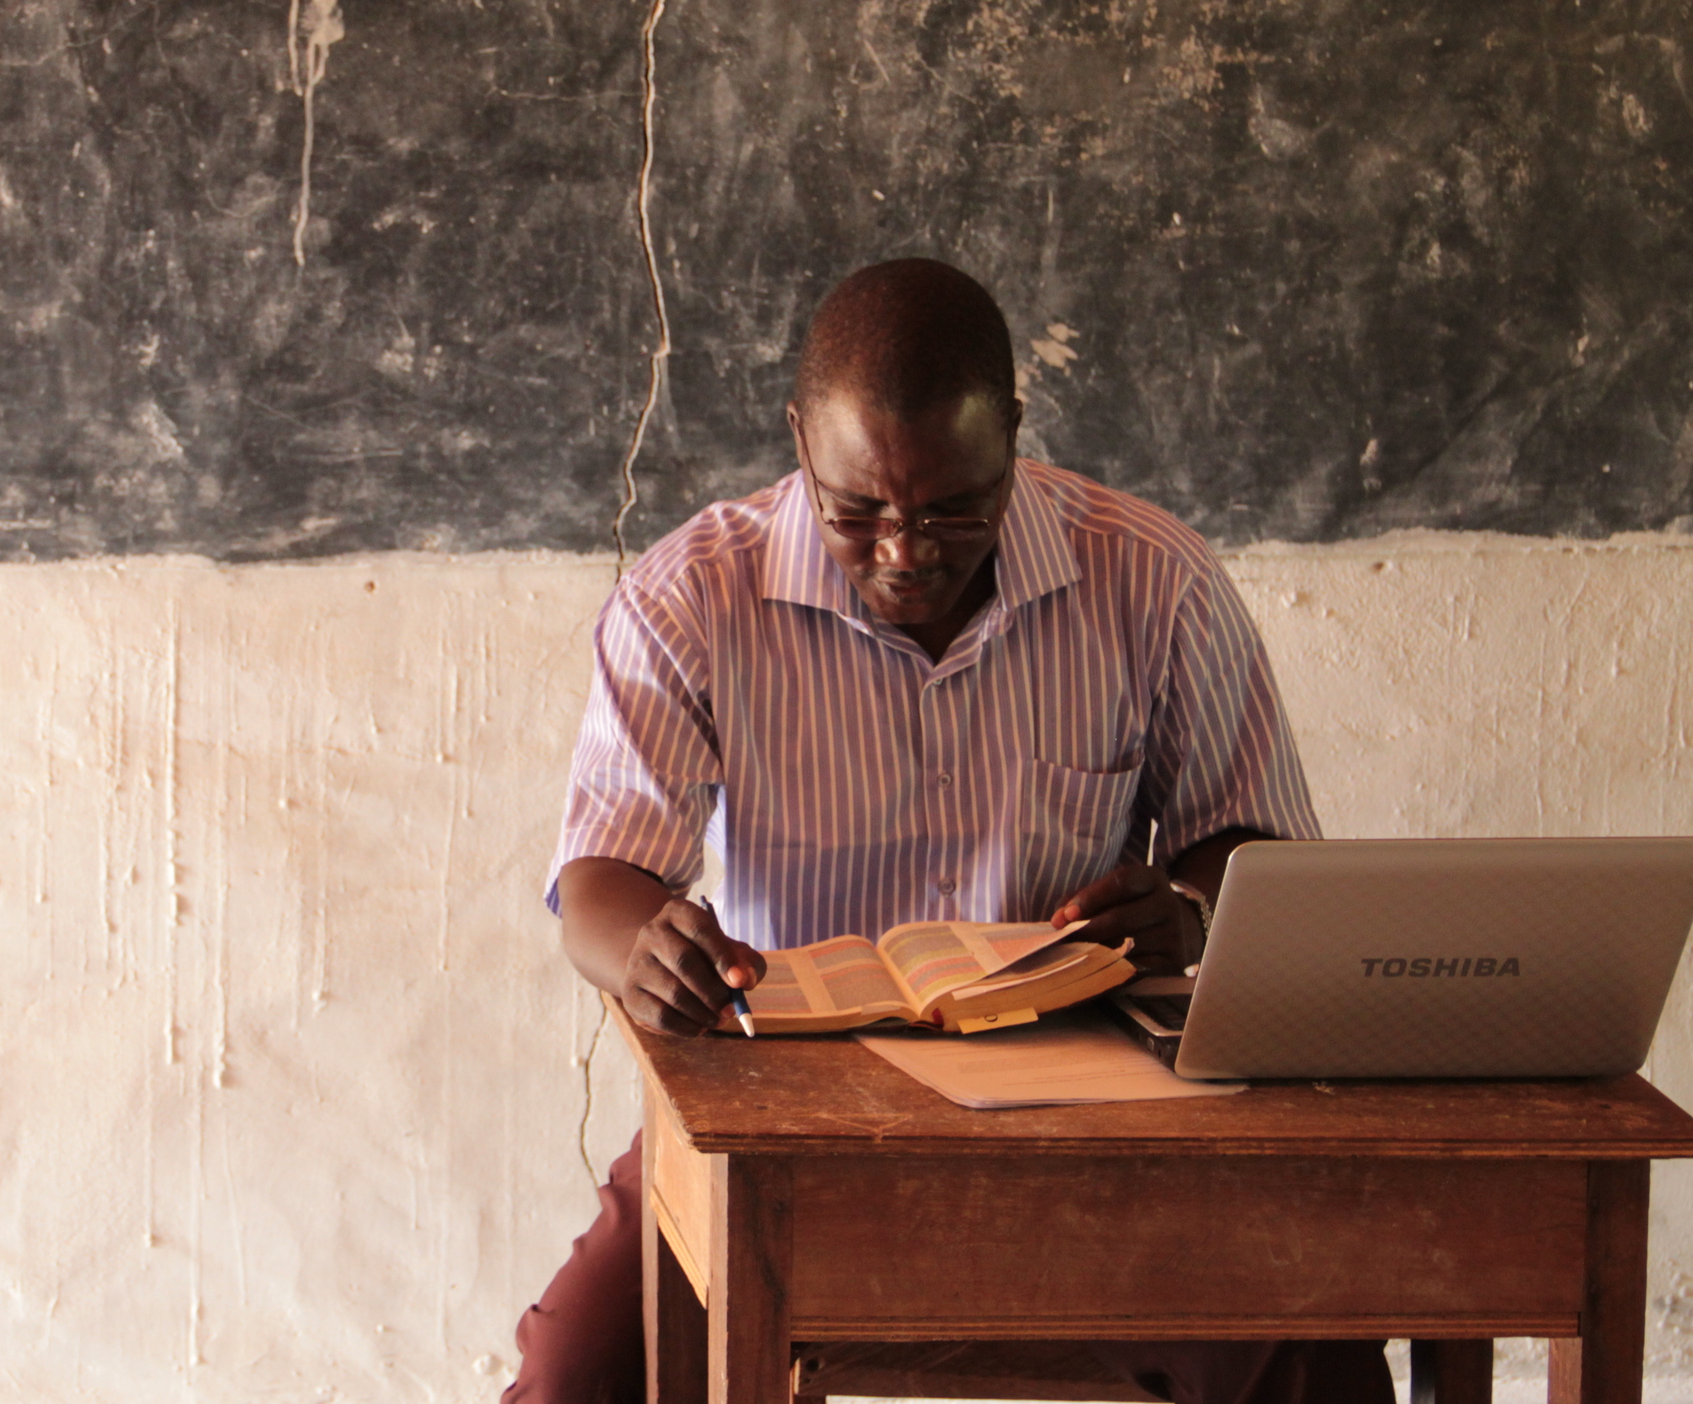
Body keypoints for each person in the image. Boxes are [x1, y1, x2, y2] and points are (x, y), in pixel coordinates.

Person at [505, 259, 1392, 1404]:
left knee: (1317, 1356)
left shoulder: (1152, 582)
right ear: (797, 441)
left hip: (1095, 1112)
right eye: (856, 511)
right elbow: (600, 882)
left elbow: (1258, 857)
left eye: (953, 509)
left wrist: (1193, 912)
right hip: (786, 1118)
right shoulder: (690, 597)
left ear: (1013, 434)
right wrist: (648, 950)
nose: (905, 551)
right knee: (577, 1376)